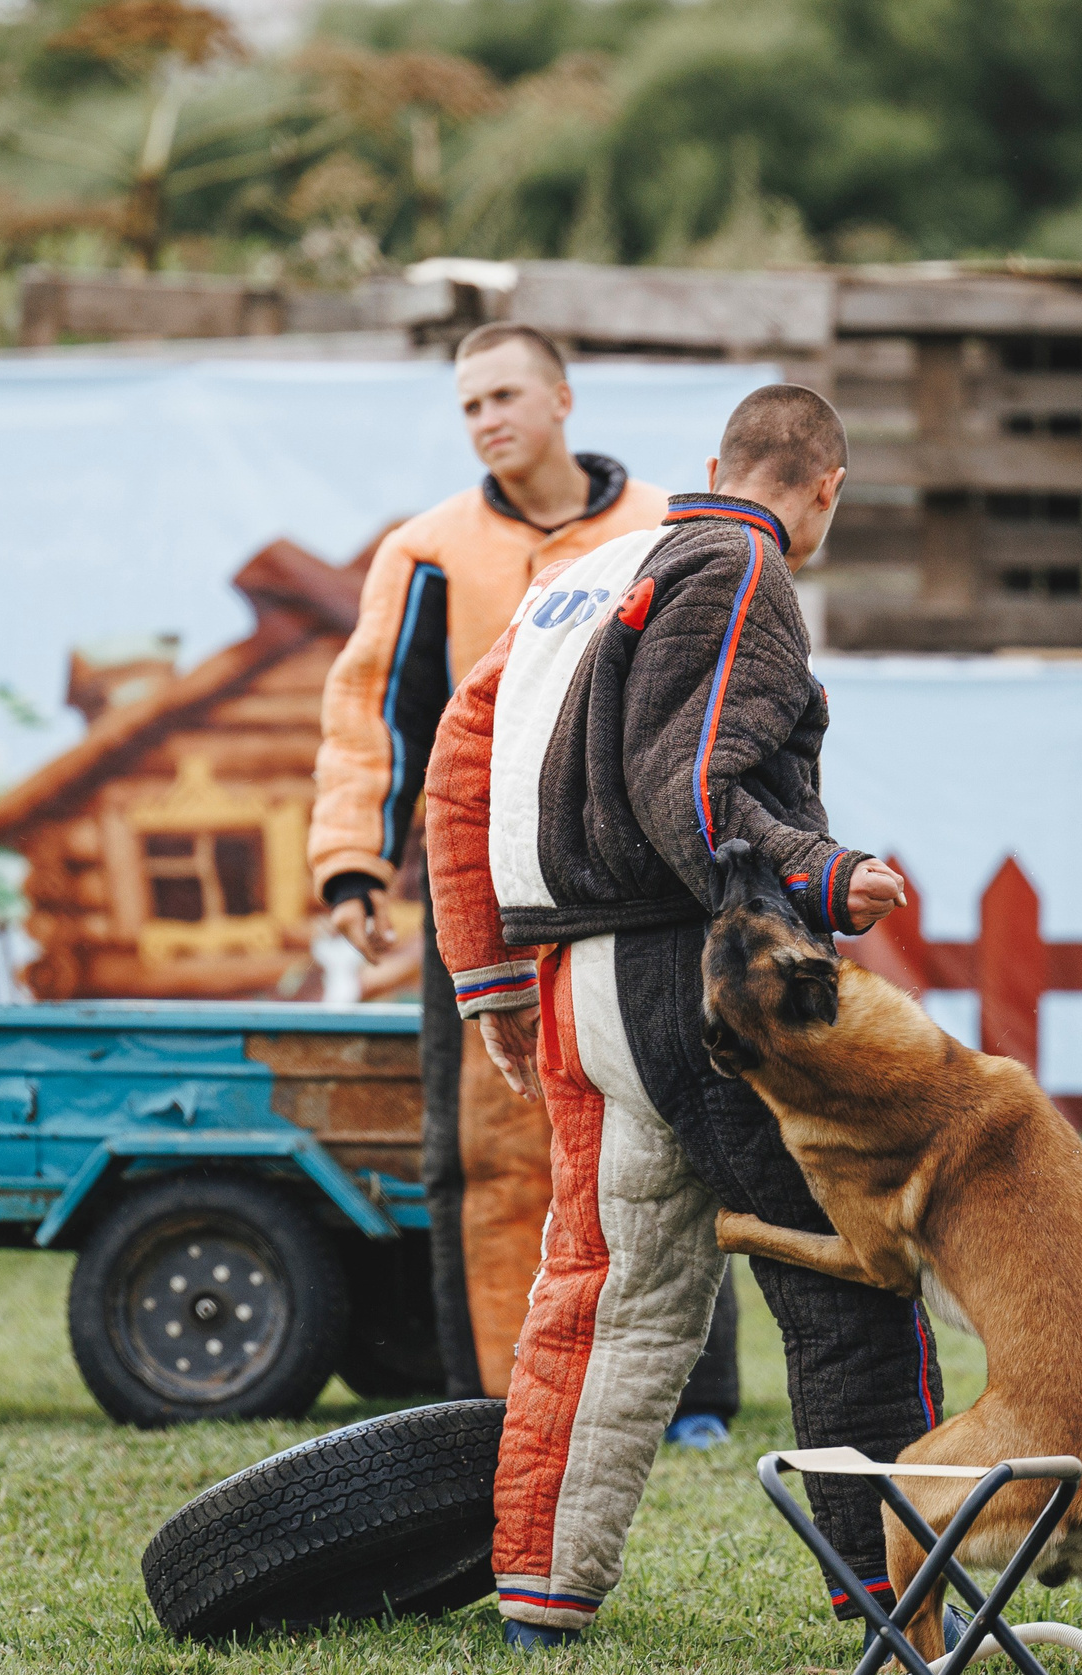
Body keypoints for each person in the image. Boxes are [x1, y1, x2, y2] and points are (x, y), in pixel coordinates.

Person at [424, 383, 937, 1649]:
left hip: (580, 992)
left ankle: (542, 1594)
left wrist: (489, 980)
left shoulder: (588, 573)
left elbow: (459, 758)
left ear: (713, 461)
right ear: (826, 491)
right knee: (849, 1270)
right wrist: (818, 875)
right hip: (709, 974)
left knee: (604, 1297)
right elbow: (689, 783)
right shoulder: (744, 566)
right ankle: (899, 1595)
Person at [307, 322, 740, 1424]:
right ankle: (503, 1392)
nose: (487, 419)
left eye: (505, 394)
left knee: (674, 1129)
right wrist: (354, 859)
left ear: (561, 397)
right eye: (468, 405)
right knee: (488, 1147)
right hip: (487, 896)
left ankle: (682, 1389)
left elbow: (722, 702)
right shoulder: (428, 549)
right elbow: (379, 722)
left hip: (644, 887)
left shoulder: (664, 529)